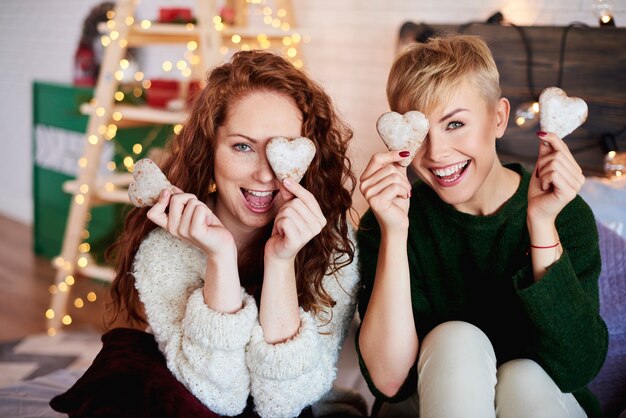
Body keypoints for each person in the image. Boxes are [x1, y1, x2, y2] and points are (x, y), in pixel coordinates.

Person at [356, 34, 608, 418]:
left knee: (523, 377)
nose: (436, 153)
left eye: (455, 123)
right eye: (422, 132)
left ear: (499, 118)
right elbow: (390, 381)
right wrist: (394, 232)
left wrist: (541, 225)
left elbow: (578, 366)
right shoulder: (386, 223)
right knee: (455, 339)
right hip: (425, 402)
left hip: (540, 399)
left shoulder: (568, 216)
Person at [104, 50, 365, 418]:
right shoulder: (166, 248)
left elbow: (285, 403)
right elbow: (216, 397)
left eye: (280, 150)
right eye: (243, 147)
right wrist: (220, 257)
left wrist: (281, 261)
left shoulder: (334, 244)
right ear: (210, 149)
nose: (264, 174)